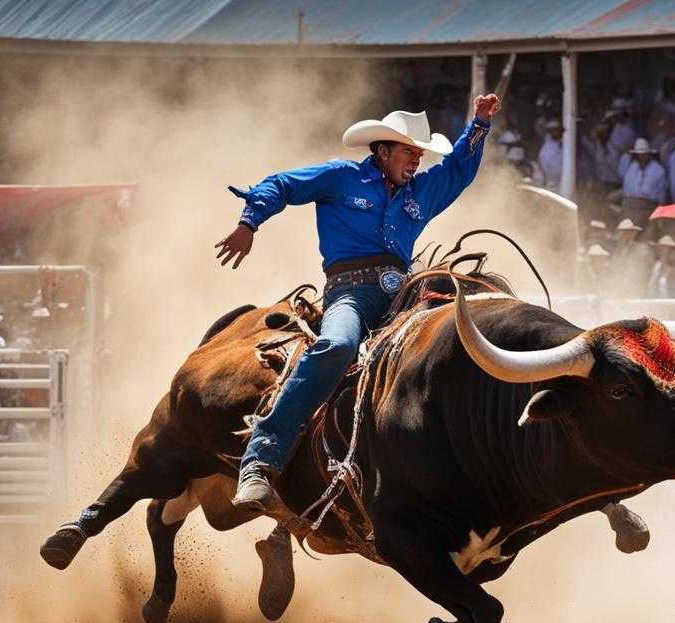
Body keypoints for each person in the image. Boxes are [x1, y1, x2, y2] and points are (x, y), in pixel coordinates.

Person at [213, 94, 499, 510]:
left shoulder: (422, 191)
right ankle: (260, 457)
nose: (416, 160)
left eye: (419, 153)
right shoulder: (340, 177)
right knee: (339, 345)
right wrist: (249, 222)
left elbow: (458, 168)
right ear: (382, 151)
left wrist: (479, 125)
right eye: (408, 152)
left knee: (458, 341)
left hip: (403, 292)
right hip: (350, 291)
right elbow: (282, 185)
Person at [618, 138, 667, 226]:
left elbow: (661, 196)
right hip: (629, 205)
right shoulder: (631, 167)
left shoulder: (658, 170)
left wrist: (660, 214)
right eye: (639, 155)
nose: (642, 157)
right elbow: (626, 187)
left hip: (647, 207)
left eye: (644, 154)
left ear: (649, 154)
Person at [536, 118, 563, 191]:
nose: (556, 132)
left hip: (561, 183)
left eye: (557, 130)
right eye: (553, 130)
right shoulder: (547, 146)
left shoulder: (565, 145)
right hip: (549, 183)